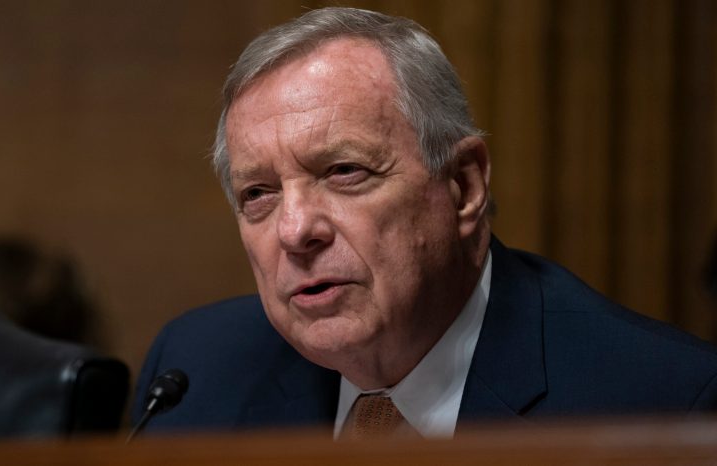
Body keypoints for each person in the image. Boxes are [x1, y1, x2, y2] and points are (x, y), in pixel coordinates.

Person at [134, 7, 717, 438]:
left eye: (343, 171)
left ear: (464, 186)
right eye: (258, 193)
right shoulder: (195, 372)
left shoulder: (664, 405)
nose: (294, 230)